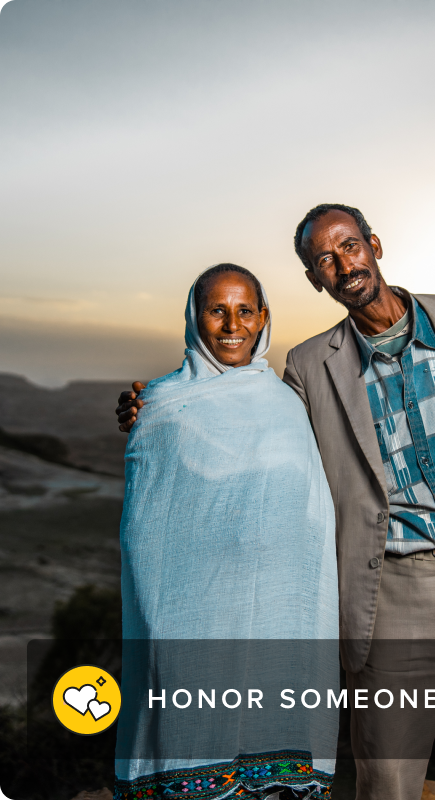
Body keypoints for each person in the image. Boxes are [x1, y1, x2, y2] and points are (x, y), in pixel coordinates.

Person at [116, 206, 435, 800]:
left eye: (349, 246)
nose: (343, 264)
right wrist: (151, 401)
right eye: (324, 258)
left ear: (373, 244)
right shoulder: (308, 368)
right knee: (387, 775)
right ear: (314, 278)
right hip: (391, 589)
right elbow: (236, 405)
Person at [114, 263, 339, 800]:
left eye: (245, 310)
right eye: (217, 309)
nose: (232, 324)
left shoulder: (287, 406)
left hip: (277, 615)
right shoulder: (161, 406)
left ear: (263, 318)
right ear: (196, 316)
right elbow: (147, 527)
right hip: (189, 614)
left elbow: (312, 517)